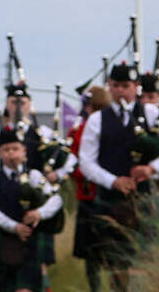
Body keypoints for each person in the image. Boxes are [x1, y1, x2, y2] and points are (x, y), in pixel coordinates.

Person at [78, 63, 159, 292]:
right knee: (117, 264)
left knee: (147, 259)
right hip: (111, 200)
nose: (120, 91)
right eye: (115, 85)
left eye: (126, 86)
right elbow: (86, 162)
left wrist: (152, 168)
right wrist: (113, 181)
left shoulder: (152, 114)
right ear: (109, 86)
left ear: (136, 87)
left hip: (146, 198)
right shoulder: (97, 120)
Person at [0, 126, 62, 292]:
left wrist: (39, 213)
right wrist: (15, 227)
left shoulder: (34, 176)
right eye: (6, 150)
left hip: (30, 242)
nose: (11, 153)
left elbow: (56, 199)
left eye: (15, 149)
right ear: (0, 153)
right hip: (3, 241)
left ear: (24, 151)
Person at [68, 86, 110, 292]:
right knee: (94, 252)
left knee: (99, 251)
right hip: (91, 194)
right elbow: (73, 163)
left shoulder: (84, 129)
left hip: (101, 195)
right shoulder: (79, 131)